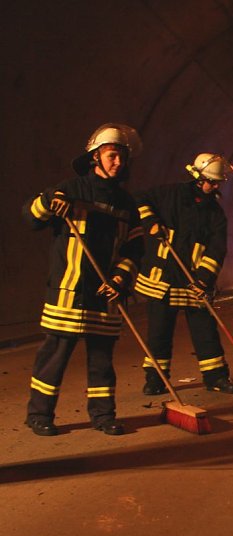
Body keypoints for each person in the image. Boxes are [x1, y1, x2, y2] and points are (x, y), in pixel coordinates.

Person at [22, 123, 144, 436]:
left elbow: (135, 249)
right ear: (95, 157)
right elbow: (31, 217)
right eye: (112, 155)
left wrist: (119, 279)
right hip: (68, 292)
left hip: (105, 295)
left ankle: (103, 416)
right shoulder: (71, 189)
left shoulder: (127, 204)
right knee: (53, 359)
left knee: (102, 362)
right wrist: (49, 201)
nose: (118, 162)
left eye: (122, 157)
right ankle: (39, 415)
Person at [134, 153, 233, 395]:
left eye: (218, 183)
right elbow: (139, 199)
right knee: (159, 333)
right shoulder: (169, 194)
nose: (215, 187)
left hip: (194, 281)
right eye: (211, 182)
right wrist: (151, 221)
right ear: (197, 177)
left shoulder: (216, 214)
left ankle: (216, 377)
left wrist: (204, 279)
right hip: (161, 279)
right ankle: (156, 379)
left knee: (206, 333)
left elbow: (217, 249)